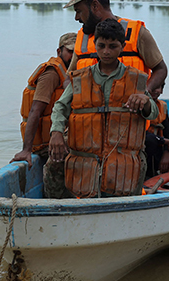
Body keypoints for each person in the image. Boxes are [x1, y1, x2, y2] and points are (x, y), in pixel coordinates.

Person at [47, 19, 159, 198]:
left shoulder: (135, 79)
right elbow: (60, 107)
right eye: (102, 45)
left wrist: (145, 101)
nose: (106, 52)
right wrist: (57, 132)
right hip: (86, 161)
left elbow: (154, 112)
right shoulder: (80, 79)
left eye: (112, 46)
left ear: (122, 46)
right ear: (95, 45)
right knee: (53, 167)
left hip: (123, 164)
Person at [63, 0, 167, 94]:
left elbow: (161, 69)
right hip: (90, 110)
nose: (76, 18)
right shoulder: (82, 37)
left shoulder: (136, 32)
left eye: (79, 11)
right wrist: (75, 96)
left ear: (95, 6)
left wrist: (146, 92)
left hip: (129, 109)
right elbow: (69, 78)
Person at [10, 33, 75, 169]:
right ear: (59, 51)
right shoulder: (51, 73)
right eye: (70, 51)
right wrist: (26, 150)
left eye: (76, 52)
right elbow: (35, 110)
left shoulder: (72, 72)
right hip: (47, 144)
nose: (73, 56)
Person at [144, 82, 169, 179]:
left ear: (161, 90)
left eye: (157, 87)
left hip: (161, 148)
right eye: (150, 86)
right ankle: (148, 175)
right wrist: (164, 141)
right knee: (151, 141)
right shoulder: (138, 106)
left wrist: (167, 153)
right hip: (146, 148)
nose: (153, 90)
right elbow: (143, 136)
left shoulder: (162, 106)